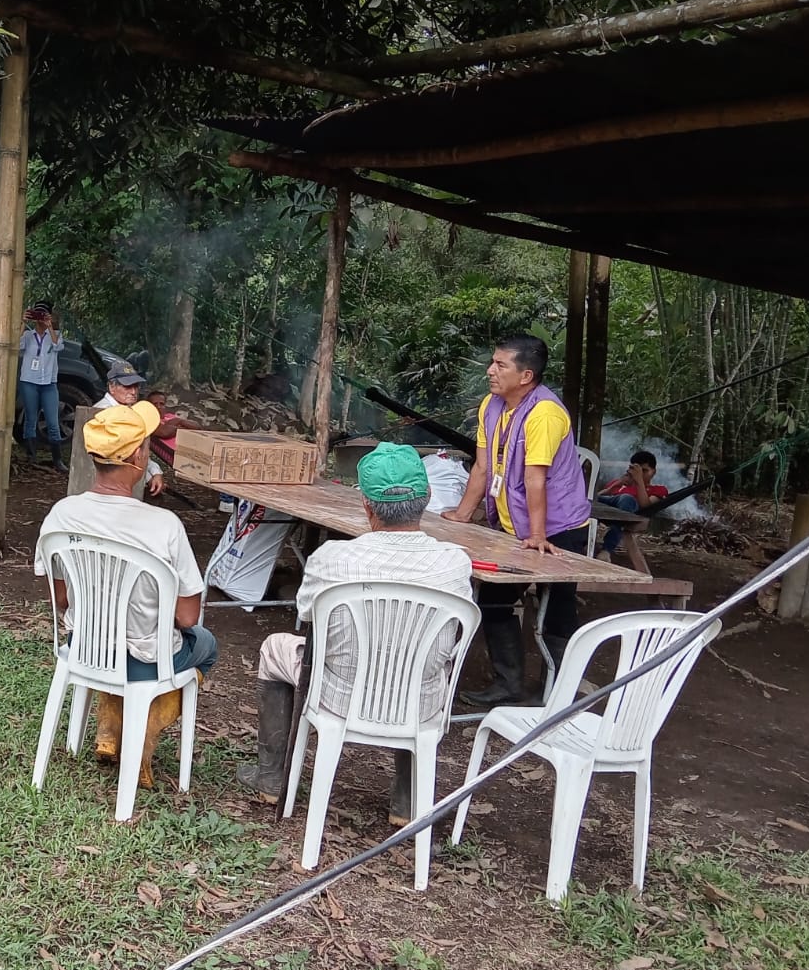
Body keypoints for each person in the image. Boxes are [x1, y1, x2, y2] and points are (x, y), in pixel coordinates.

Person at [239, 444, 473, 822]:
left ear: (366, 504)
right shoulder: (456, 563)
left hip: (339, 695)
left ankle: (270, 778)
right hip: (419, 703)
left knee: (273, 648)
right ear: (428, 496)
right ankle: (406, 802)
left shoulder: (332, 558)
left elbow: (307, 615)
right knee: (418, 661)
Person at [34, 401, 217, 788]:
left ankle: (111, 726)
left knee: (118, 636)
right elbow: (187, 617)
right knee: (206, 644)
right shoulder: (164, 525)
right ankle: (145, 729)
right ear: (138, 457)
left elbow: (61, 600)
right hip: (146, 662)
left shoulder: (61, 515)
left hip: (83, 649)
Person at [443, 334, 592, 708]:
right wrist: (463, 514)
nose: (490, 371)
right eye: (492, 362)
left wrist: (538, 535)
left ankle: (557, 694)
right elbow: (482, 466)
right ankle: (509, 685)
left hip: (558, 527)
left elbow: (535, 477)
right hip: (514, 526)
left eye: (500, 365)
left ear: (526, 376)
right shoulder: (491, 405)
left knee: (557, 607)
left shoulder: (545, 414)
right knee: (494, 600)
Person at [92, 362, 165, 496]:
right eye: (127, 386)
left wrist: (155, 471)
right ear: (112, 387)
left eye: (136, 386)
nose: (133, 392)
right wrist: (150, 476)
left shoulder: (127, 411)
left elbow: (134, 449)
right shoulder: (105, 412)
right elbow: (124, 455)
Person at [18, 299, 67, 473]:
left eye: (43, 314)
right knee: (30, 419)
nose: (39, 317)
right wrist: (22, 322)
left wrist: (50, 327)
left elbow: (58, 346)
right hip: (29, 381)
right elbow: (16, 346)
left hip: (49, 383)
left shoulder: (56, 334)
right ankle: (31, 457)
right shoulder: (27, 335)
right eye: (37, 313)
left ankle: (57, 460)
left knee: (53, 422)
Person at [596, 450, 668, 557]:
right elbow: (595, 498)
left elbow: (645, 505)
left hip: (630, 512)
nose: (640, 474)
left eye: (644, 471)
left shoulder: (659, 490)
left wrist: (638, 480)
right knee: (583, 499)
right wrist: (614, 486)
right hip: (608, 508)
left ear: (654, 472)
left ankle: (606, 550)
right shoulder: (621, 483)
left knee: (627, 499)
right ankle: (581, 541)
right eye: (637, 471)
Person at [146, 388, 203, 468]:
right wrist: (180, 425)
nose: (158, 407)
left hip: (193, 449)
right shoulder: (149, 420)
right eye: (155, 404)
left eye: (161, 404)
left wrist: (179, 421)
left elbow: (197, 426)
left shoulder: (170, 416)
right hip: (176, 456)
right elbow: (164, 432)